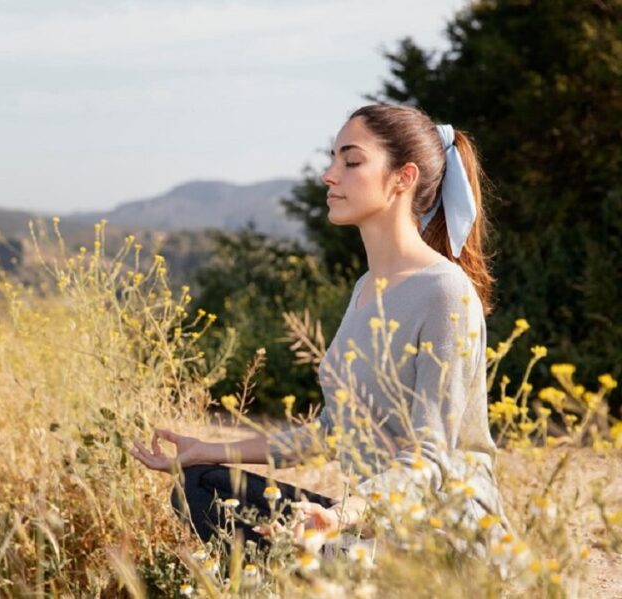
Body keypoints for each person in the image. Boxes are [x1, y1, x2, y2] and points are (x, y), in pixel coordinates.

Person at [130, 103, 512, 556]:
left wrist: (342, 515)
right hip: (373, 519)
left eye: (351, 161)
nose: (330, 175)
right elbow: (332, 433)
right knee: (202, 486)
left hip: (439, 538)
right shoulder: (366, 289)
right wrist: (205, 448)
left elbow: (430, 462)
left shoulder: (445, 290)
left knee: (310, 551)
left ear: (403, 178)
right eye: (334, 160)